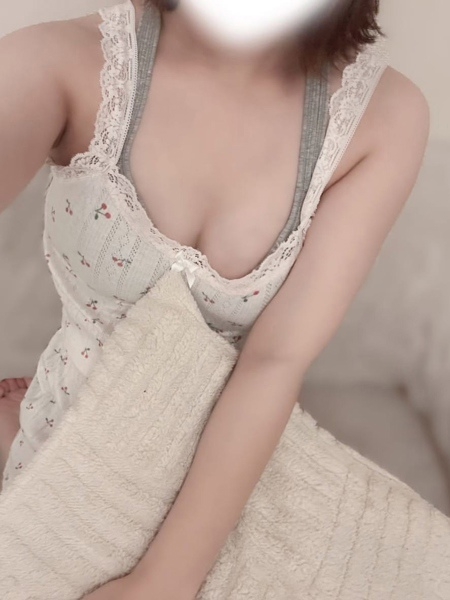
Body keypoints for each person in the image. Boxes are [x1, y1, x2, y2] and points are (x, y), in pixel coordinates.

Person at [0, 0, 429, 596]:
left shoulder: (384, 115)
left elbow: (274, 363)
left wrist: (162, 584)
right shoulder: (59, 62)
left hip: (221, 507)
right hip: (56, 473)